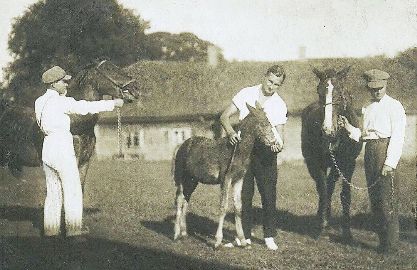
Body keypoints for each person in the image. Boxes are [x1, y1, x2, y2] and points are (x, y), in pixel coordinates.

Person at [35, 65, 124, 240]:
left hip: (48, 146)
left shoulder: (39, 102)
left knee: (53, 192)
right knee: (72, 189)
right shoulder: (62, 102)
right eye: (63, 82)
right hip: (61, 145)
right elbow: (84, 107)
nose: (67, 84)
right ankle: (74, 232)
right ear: (53, 84)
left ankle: (51, 231)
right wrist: (113, 103)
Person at [220, 64, 287, 250]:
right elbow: (224, 117)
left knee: (268, 195)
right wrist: (231, 132)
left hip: (266, 155)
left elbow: (281, 136)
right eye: (270, 81)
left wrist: (277, 145)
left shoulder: (279, 105)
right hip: (244, 152)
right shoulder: (246, 94)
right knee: (244, 194)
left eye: (276, 84)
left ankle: (269, 236)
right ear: (264, 76)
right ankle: (244, 236)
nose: (271, 86)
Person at [339, 69, 406, 254]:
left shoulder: (394, 106)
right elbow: (363, 135)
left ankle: (391, 247)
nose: (376, 92)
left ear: (386, 85)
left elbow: (398, 137)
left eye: (380, 88)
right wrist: (347, 126)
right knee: (375, 200)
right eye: (373, 89)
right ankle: (383, 242)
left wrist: (389, 163)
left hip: (385, 150)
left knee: (388, 201)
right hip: (370, 151)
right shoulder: (367, 107)